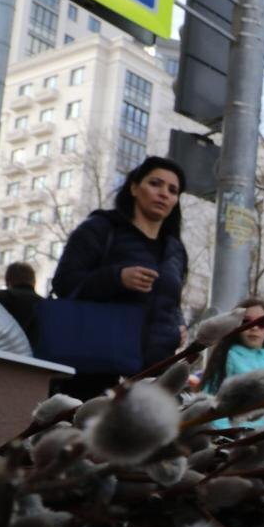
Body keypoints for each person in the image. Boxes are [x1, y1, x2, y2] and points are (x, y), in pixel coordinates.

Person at [50, 156, 189, 400]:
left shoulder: (176, 250)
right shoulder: (100, 229)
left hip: (154, 375)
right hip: (94, 370)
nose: (164, 194)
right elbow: (64, 283)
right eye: (155, 184)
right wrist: (116, 278)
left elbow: (170, 301)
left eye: (173, 190)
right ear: (134, 187)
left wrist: (177, 325)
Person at [199, 298, 264, 429]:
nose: (254, 328)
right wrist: (223, 433)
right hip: (230, 437)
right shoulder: (228, 357)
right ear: (237, 327)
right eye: (246, 322)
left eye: (262, 323)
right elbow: (209, 401)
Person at [0, 261, 43, 348]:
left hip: (2, 353)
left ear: (8, 280)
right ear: (33, 280)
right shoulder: (44, 304)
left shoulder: (1, 297)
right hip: (35, 358)